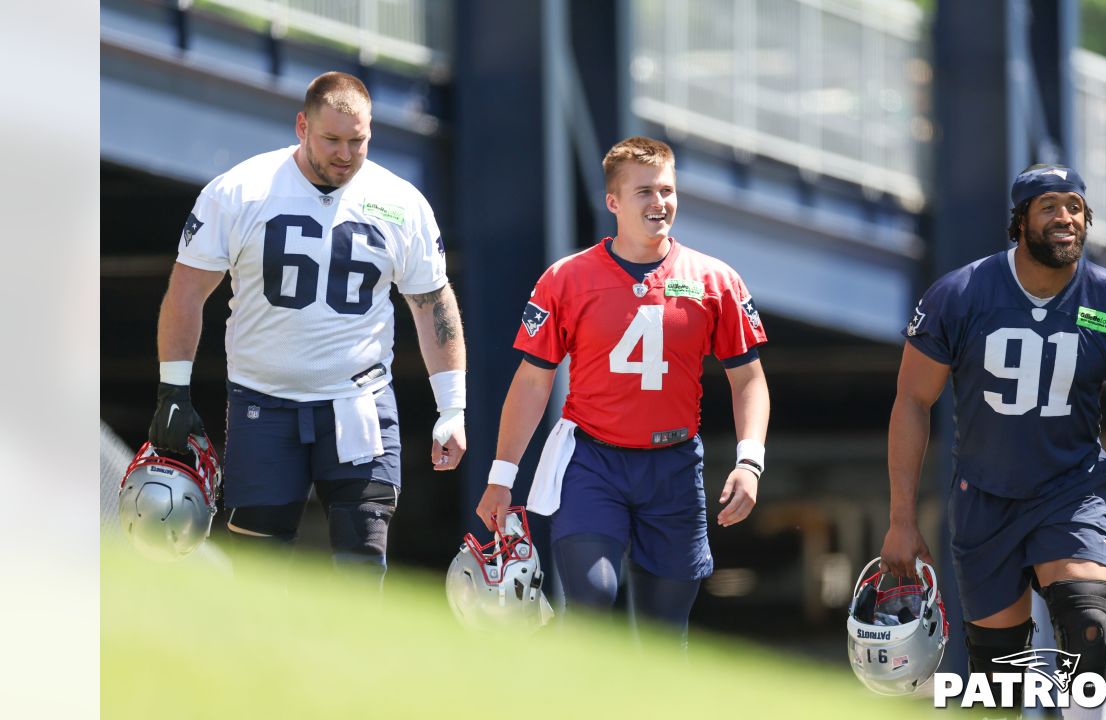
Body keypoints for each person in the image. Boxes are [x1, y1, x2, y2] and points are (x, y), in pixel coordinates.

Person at [879, 164, 1106, 714]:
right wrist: (902, 518)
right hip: (984, 500)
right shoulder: (960, 295)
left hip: (1071, 493)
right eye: (1049, 207)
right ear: (1020, 222)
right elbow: (912, 402)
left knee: (1088, 623)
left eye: (1075, 206)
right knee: (1000, 688)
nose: (1065, 217)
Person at [148, 71, 467, 585]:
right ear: (301, 126)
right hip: (263, 400)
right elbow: (186, 294)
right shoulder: (241, 191)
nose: (345, 154)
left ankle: (357, 666)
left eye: (357, 141)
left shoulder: (400, 202)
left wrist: (452, 406)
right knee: (259, 565)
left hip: (359, 399)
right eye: (332, 139)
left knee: (365, 556)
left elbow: (432, 303)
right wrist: (173, 391)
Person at [474, 136, 770, 646]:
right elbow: (532, 380)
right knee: (592, 598)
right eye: (645, 192)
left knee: (664, 634)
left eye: (668, 190)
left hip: (674, 465)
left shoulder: (715, 280)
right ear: (613, 202)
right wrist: (502, 477)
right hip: (593, 460)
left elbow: (749, 378)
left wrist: (749, 461)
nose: (660, 203)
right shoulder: (566, 280)